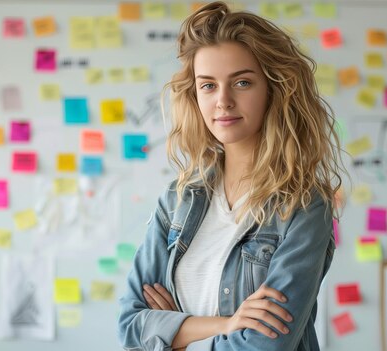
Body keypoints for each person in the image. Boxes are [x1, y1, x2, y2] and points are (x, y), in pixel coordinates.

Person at [118, 2, 343, 350]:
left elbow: (265, 345)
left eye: (241, 82)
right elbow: (131, 328)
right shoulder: (176, 201)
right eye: (207, 86)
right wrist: (228, 323)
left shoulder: (303, 206)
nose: (223, 101)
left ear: (273, 89)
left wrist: (175, 336)